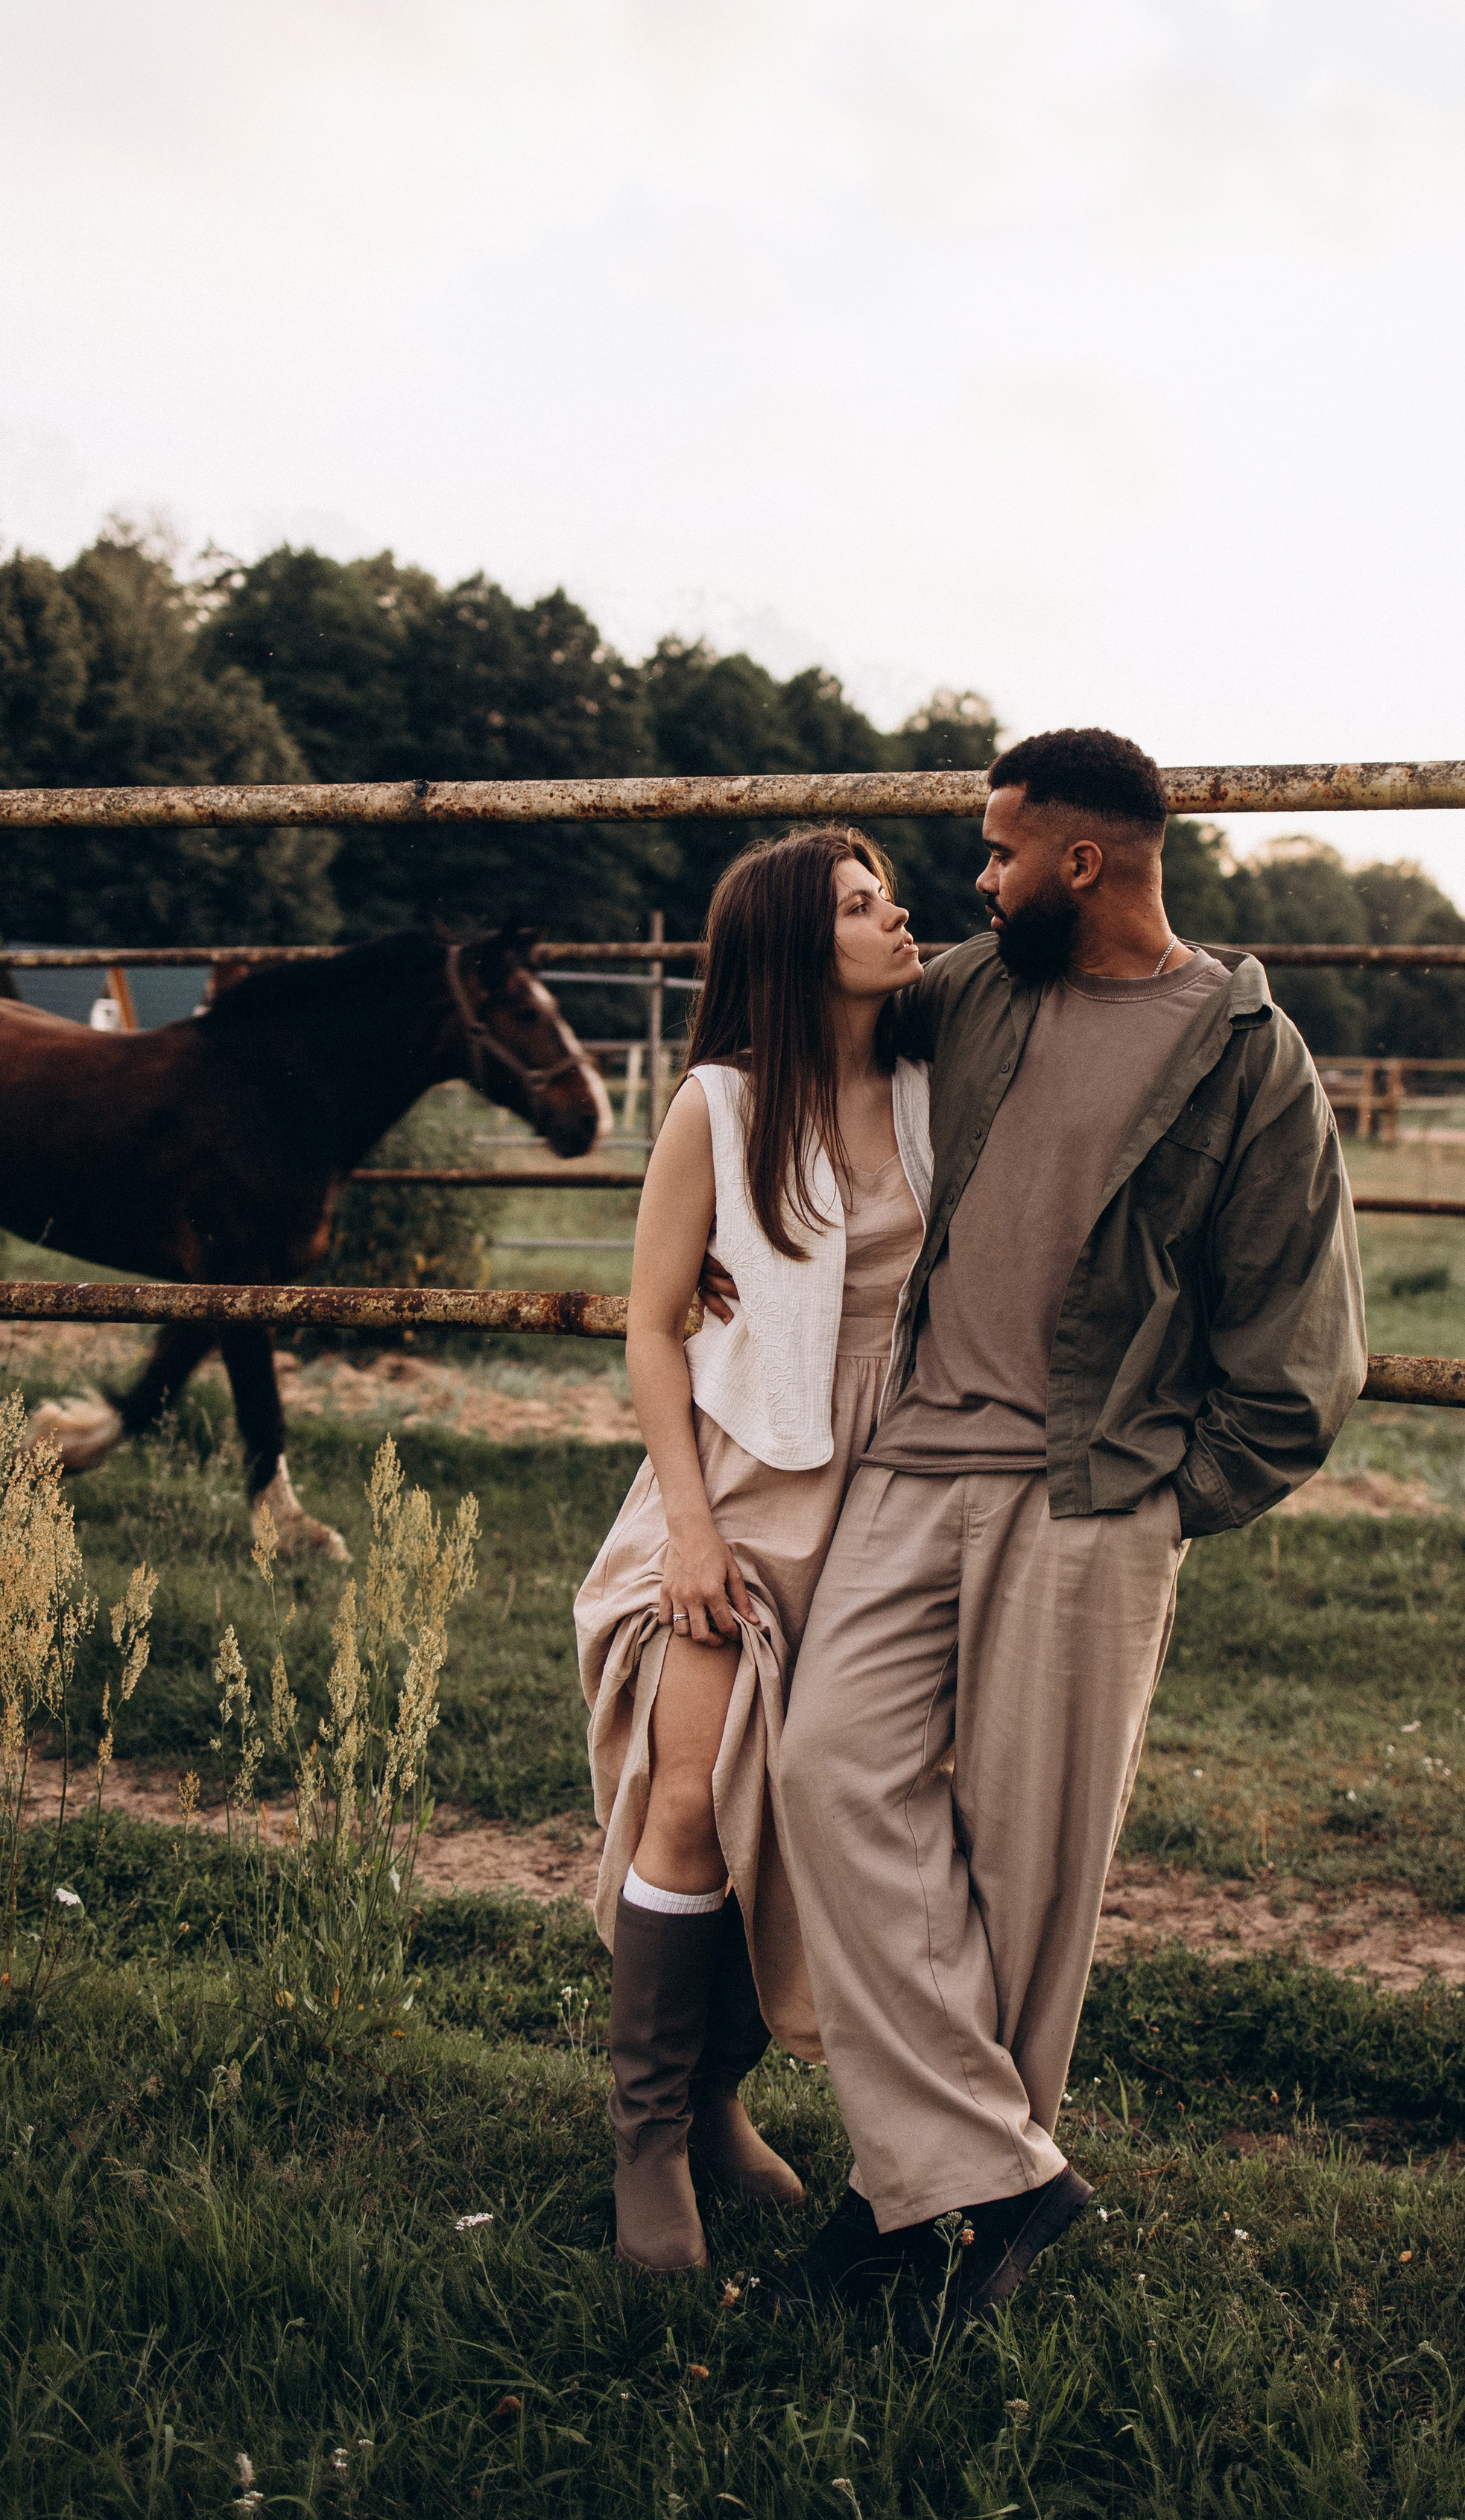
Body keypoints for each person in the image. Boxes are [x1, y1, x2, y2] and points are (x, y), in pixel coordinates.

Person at [774, 727, 1367, 2345]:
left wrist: (1177, 1496)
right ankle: (991, 2173)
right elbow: (784, 1024)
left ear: (1080, 862)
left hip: (1088, 1493)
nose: (975, 880)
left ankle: (939, 2223)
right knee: (823, 1768)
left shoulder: (1242, 1051)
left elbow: (1301, 1340)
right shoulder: (972, 994)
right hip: (907, 1467)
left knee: (1027, 1868)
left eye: (996, 852)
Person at [575, 825, 930, 2273]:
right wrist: (693, 1533)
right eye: (858, 903)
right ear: (795, 942)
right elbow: (652, 1324)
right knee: (688, 1799)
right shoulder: (716, 1108)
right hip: (734, 1491)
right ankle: (647, 2138)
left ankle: (723, 2100)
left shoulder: (929, 1091)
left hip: (887, 1506)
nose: (895, 913)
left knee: (803, 1825)